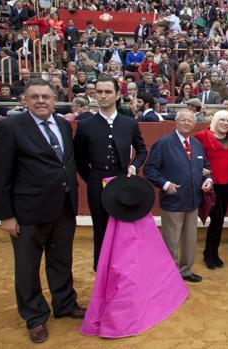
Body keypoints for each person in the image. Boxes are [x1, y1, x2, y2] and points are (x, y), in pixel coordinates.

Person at [0, 79, 85, 343]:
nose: (41, 101)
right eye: (34, 97)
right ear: (24, 100)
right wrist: (5, 215)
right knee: (28, 267)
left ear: (55, 99)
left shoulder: (63, 125)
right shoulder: (9, 127)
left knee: (61, 259)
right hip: (27, 211)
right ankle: (35, 316)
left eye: (46, 96)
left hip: (63, 207)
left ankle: (64, 304)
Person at [74, 76, 148, 271]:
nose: (103, 96)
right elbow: (79, 159)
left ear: (117, 95)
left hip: (123, 180)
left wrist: (134, 166)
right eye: (99, 92)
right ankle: (101, 270)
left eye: (108, 92)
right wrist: (92, 180)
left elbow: (141, 151)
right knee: (100, 228)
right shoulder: (86, 125)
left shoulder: (129, 123)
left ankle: (125, 268)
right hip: (98, 182)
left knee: (125, 229)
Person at [144, 109, 213, 283]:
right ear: (176, 122)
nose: (187, 123)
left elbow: (204, 166)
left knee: (190, 240)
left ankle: (185, 270)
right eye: (183, 120)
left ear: (194, 124)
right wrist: (166, 185)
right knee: (171, 240)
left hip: (193, 200)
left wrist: (208, 179)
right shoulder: (164, 143)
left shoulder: (196, 144)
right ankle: (170, 274)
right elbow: (149, 169)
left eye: (190, 121)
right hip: (173, 201)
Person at [194, 110, 228, 270]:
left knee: (220, 220)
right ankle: (208, 253)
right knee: (217, 219)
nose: (225, 123)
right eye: (222, 120)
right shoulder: (202, 136)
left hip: (227, 183)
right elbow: (191, 155)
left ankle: (214, 252)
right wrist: (200, 171)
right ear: (215, 121)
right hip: (211, 184)